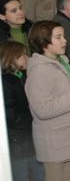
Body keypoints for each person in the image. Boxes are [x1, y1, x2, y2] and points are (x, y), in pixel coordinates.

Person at [25, 20, 70, 181]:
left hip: (66, 136)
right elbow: (43, 109)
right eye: (58, 37)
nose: (64, 40)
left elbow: (62, 91)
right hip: (54, 140)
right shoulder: (39, 70)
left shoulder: (60, 62)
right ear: (44, 42)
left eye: (63, 36)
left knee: (68, 177)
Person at [0, 41, 43, 181]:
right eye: (23, 55)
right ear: (12, 58)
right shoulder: (7, 82)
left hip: (28, 137)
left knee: (38, 173)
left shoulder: (20, 77)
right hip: (18, 141)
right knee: (22, 175)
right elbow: (9, 115)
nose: (27, 57)